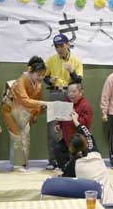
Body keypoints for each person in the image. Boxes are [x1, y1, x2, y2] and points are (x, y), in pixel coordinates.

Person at [1, 56, 47, 172]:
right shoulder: (21, 81)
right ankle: (17, 165)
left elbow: (37, 99)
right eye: (39, 73)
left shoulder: (37, 83)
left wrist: (36, 113)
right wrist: (41, 103)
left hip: (25, 112)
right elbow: (24, 100)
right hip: (11, 110)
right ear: (30, 69)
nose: (41, 77)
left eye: (43, 74)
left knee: (25, 136)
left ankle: (24, 163)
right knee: (16, 136)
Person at [44, 33, 83, 170]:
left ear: (68, 44)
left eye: (61, 46)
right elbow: (44, 76)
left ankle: (69, 159)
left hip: (69, 93)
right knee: (52, 129)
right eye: (56, 47)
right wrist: (49, 80)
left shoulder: (76, 60)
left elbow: (79, 81)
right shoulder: (51, 60)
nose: (59, 49)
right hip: (55, 92)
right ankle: (52, 160)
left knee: (69, 127)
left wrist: (72, 72)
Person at [69, 119, 113, 204]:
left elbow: (64, 180)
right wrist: (76, 121)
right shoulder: (96, 153)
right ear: (86, 144)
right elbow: (88, 135)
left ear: (71, 149)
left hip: (93, 204)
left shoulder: (73, 165)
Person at [54, 82, 93, 170]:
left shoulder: (86, 106)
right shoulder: (66, 102)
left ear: (81, 92)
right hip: (67, 138)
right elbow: (61, 116)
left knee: (77, 159)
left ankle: (76, 169)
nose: (70, 94)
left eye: (73, 92)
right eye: (69, 92)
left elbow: (86, 126)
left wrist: (76, 118)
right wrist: (58, 124)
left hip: (79, 141)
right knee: (57, 148)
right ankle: (64, 169)